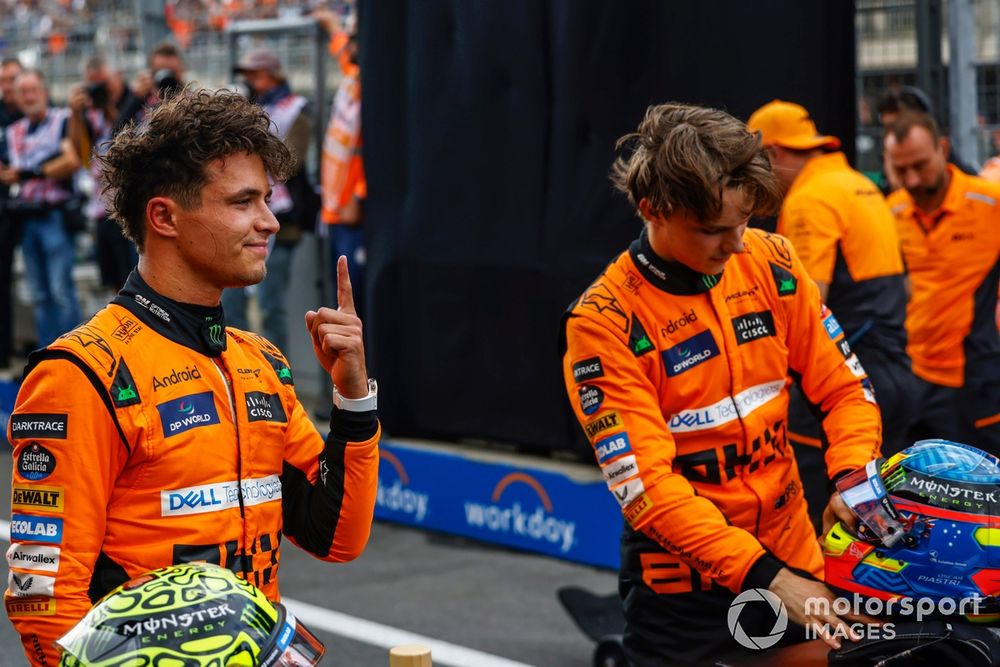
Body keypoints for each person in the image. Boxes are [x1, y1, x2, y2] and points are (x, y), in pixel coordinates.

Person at [4, 88, 380, 666]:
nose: (269, 222)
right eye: (242, 202)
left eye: (267, 200)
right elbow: (43, 601)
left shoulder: (261, 362)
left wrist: (353, 399)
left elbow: (338, 539)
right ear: (164, 217)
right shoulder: (82, 374)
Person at [561, 102, 881, 664]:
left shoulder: (773, 261)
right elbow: (649, 490)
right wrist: (770, 578)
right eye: (713, 230)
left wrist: (853, 478)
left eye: (745, 222)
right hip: (682, 593)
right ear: (652, 210)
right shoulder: (604, 322)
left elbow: (846, 388)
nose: (736, 244)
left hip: (793, 553)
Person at [747, 101, 915, 467]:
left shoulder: (810, 199)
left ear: (772, 152)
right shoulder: (860, 185)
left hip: (843, 385)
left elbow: (806, 304)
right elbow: (906, 289)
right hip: (897, 373)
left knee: (820, 505)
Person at [884, 111, 1000, 453]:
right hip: (909, 376)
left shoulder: (988, 203)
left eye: (920, 165)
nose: (913, 179)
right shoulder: (890, 212)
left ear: (943, 149)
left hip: (973, 380)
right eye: (901, 169)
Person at [222, 47, 314, 351]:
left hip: (281, 222)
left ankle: (275, 380)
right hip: (241, 220)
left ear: (271, 76)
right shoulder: (248, 111)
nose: (250, 82)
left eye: (254, 75)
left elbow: (288, 163)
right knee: (231, 305)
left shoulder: (296, 109)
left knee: (270, 306)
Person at [0, 69, 82, 349]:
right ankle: (48, 357)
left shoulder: (62, 120)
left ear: (44, 91)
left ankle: (75, 356)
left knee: (61, 290)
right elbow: (9, 171)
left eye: (33, 90)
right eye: (23, 92)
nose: (29, 96)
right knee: (38, 294)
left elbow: (71, 160)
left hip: (54, 214)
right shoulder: (14, 132)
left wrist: (30, 172)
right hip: (26, 218)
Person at [68, 55, 143, 293]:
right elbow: (79, 153)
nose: (101, 90)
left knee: (135, 276)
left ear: (116, 76)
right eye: (94, 84)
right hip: (102, 208)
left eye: (104, 82)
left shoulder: (135, 102)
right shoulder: (89, 114)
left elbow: (121, 134)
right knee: (114, 281)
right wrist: (75, 114)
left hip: (129, 205)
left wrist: (114, 106)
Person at [315, 7, 367, 320]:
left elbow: (385, 154)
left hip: (354, 214)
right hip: (336, 210)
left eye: (356, 39)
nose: (349, 45)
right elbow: (343, 50)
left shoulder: (376, 87)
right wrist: (333, 25)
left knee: (357, 308)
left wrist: (359, 197)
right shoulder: (354, 77)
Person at [0, 57, 24, 373]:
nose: (7, 87)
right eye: (3, 80)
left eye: (13, 79)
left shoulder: (42, 115)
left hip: (32, 212)